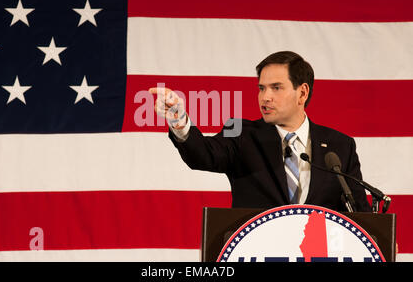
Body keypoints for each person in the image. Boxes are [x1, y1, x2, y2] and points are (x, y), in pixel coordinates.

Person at [149, 51, 371, 212]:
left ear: (302, 93)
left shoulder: (340, 145)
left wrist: (378, 238)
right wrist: (179, 120)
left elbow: (359, 210)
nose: (265, 97)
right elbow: (203, 155)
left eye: (276, 88)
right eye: (261, 88)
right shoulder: (241, 132)